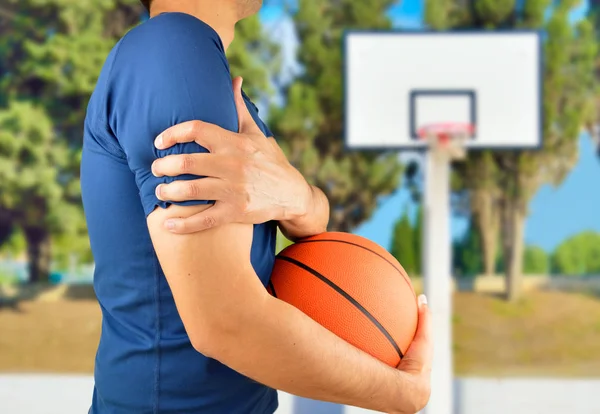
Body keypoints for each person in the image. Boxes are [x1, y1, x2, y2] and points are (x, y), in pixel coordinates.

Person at [81, 0, 432, 413]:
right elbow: (225, 323)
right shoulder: (174, 49)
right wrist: (401, 392)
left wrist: (297, 197)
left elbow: (309, 219)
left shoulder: (204, 72)